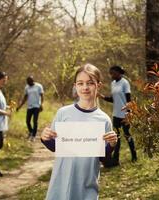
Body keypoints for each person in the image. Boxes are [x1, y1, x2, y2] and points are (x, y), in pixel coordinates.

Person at [41, 64, 118, 200]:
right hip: (61, 183)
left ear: (98, 86)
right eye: (80, 83)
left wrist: (111, 145)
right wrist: (45, 138)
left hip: (86, 186)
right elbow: (57, 147)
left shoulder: (104, 120)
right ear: (75, 86)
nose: (85, 87)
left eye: (90, 83)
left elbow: (103, 158)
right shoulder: (63, 113)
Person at [99, 65, 137, 167]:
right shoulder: (113, 84)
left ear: (119, 72)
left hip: (125, 114)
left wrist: (129, 113)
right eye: (110, 73)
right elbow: (113, 99)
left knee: (127, 135)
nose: (111, 75)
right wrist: (102, 97)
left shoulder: (125, 83)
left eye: (113, 73)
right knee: (116, 138)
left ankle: (134, 156)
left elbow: (128, 100)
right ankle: (115, 160)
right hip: (116, 115)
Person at [16, 75, 44, 141]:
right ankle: (31, 132)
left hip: (37, 106)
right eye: (27, 82)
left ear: (33, 80)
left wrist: (41, 104)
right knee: (27, 121)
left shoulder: (39, 86)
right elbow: (25, 98)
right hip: (30, 106)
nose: (28, 83)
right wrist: (19, 106)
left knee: (35, 121)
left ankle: (33, 136)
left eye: (30, 81)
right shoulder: (27, 87)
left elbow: (42, 96)